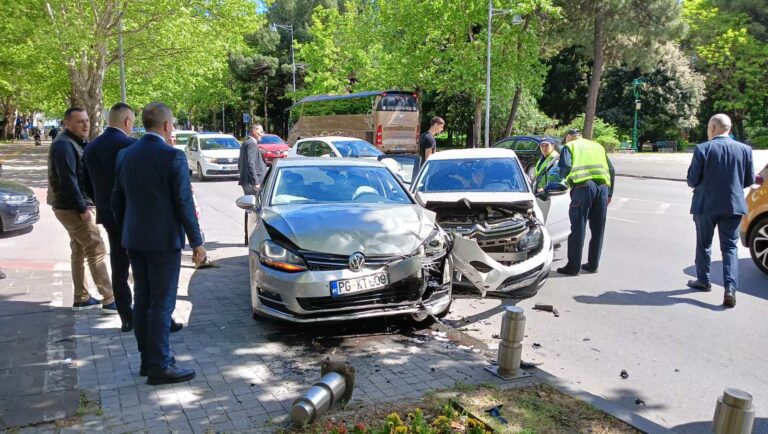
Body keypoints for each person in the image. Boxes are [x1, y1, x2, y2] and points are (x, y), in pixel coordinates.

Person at [112, 102, 204, 385]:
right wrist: (197, 242)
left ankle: (147, 360)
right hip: (163, 242)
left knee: (142, 299)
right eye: (172, 124)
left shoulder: (125, 155)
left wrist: (126, 231)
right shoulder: (172, 156)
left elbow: (117, 200)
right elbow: (183, 203)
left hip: (135, 239)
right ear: (166, 125)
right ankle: (160, 365)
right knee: (162, 305)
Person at [47, 107, 117, 313]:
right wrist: (82, 207)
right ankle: (109, 299)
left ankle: (81, 297)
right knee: (96, 248)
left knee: (79, 249)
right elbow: (67, 180)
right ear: (67, 123)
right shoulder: (64, 145)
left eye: (86, 120)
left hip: (69, 205)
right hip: (72, 207)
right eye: (80, 121)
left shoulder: (73, 142)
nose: (86, 125)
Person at [686, 114, 754, 308]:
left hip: (706, 205)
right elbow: (748, 179)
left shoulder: (702, 149)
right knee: (730, 248)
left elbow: (692, 179)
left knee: (704, 244)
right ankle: (730, 289)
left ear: (713, 128)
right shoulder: (745, 150)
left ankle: (703, 280)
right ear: (729, 129)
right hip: (733, 205)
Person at [556, 128, 615, 276]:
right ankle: (593, 265)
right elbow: (611, 170)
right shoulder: (597, 146)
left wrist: (562, 179)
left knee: (578, 228)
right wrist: (609, 193)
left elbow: (565, 166)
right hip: (603, 188)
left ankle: (573, 267)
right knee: (598, 229)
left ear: (569, 137)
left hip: (583, 188)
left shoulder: (569, 146)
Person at [238, 123, 267, 195]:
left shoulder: (246, 142)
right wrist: (256, 182)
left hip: (247, 181)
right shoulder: (252, 143)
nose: (262, 134)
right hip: (253, 183)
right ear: (254, 131)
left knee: (250, 201)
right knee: (256, 202)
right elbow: (250, 163)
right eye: (261, 132)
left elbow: (240, 163)